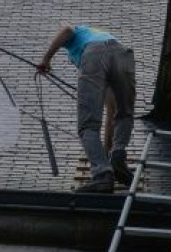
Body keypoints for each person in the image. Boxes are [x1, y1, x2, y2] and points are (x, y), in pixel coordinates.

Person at [38, 25, 136, 193]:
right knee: (123, 112)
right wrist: (106, 155)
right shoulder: (102, 37)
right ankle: (117, 158)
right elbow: (111, 111)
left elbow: (67, 30)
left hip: (94, 55)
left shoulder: (79, 35)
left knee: (87, 124)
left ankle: (101, 176)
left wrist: (46, 59)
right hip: (122, 55)